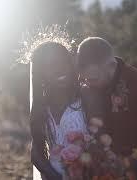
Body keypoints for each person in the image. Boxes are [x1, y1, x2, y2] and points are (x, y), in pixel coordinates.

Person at [77, 37, 137, 180]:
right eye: (84, 79)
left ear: (111, 66)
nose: (87, 84)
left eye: (93, 79)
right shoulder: (86, 80)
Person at [29, 41, 88, 180]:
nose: (59, 69)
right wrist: (54, 176)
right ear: (41, 73)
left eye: (63, 62)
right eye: (50, 65)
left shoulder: (85, 97)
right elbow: (36, 153)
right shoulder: (41, 108)